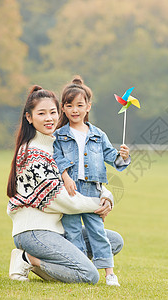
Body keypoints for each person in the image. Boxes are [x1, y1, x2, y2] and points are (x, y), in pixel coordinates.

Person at [7, 85, 123, 284]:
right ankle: (28, 259)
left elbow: (81, 177)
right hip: (35, 231)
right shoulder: (32, 152)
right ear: (29, 117)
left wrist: (106, 196)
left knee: (113, 241)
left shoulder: (57, 144)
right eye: (41, 113)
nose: (49, 118)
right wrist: (98, 206)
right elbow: (61, 199)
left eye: (52, 112)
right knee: (89, 276)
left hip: (58, 229)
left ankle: (60, 266)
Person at [53, 76, 130, 286]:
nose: (75, 110)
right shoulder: (59, 135)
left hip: (92, 191)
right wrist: (66, 177)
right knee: (73, 231)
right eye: (69, 106)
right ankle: (80, 269)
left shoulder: (98, 135)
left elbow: (115, 161)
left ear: (88, 106)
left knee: (97, 232)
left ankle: (109, 273)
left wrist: (123, 156)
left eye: (79, 105)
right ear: (63, 108)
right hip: (69, 191)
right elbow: (57, 159)